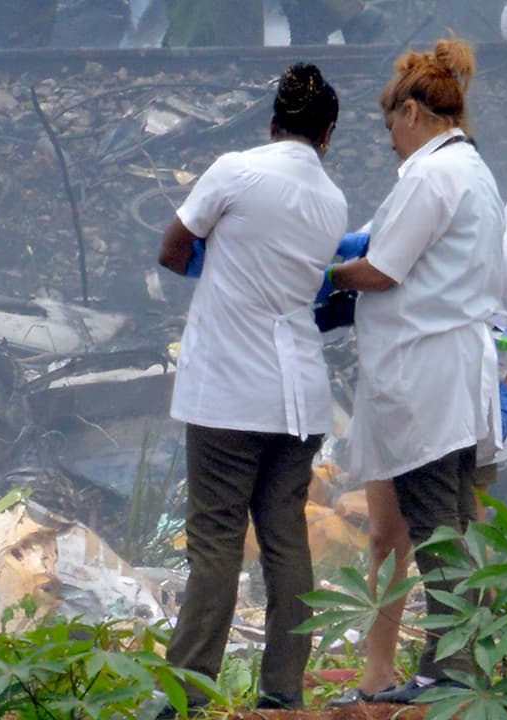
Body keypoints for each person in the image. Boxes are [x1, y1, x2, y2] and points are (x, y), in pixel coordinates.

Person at [317, 36, 504, 705]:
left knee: (432, 524)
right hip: (447, 363)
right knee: (452, 517)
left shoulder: (431, 174)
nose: (390, 136)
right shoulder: (472, 169)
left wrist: (322, 272)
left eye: (391, 121)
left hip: (423, 368)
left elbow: (381, 269)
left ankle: (448, 666)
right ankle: (462, 658)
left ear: (414, 114)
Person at [155, 63, 347, 714]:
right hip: (298, 392)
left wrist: (216, 261)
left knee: (214, 540)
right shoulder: (332, 200)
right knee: (284, 538)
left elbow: (173, 250)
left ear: (272, 124)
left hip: (228, 388)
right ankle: (283, 692)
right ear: (327, 135)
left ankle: (186, 692)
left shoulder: (236, 169)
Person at [327, 235, 507, 707]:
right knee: (386, 539)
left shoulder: (485, 240)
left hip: (460, 406)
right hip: (392, 398)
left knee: (464, 536)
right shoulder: (384, 233)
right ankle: (378, 672)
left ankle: (471, 666)